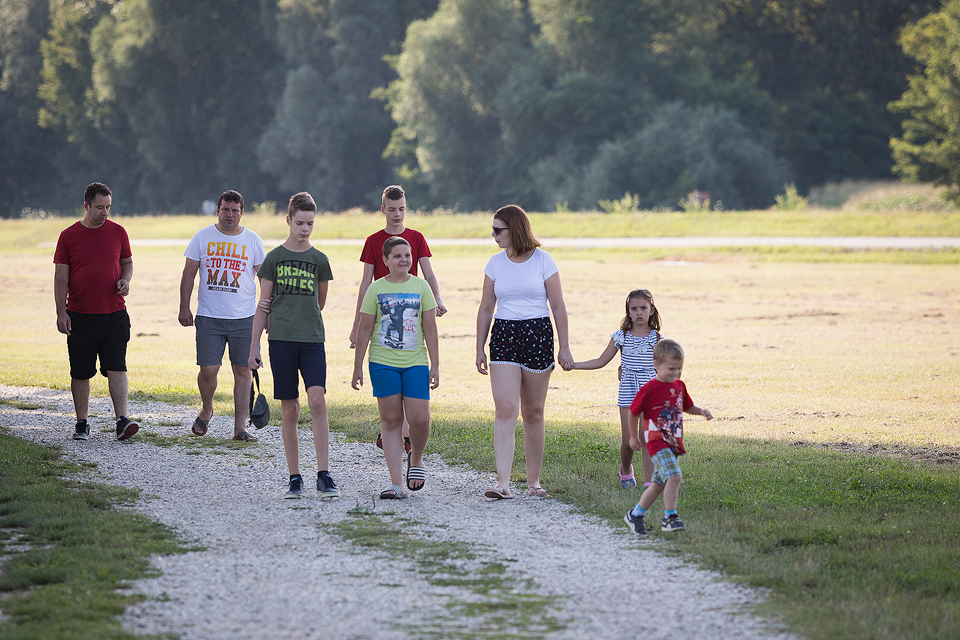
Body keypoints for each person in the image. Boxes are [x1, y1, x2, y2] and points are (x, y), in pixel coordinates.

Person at [476, 205, 572, 499]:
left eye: (498, 230)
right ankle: (502, 483)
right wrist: (479, 347)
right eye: (493, 230)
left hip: (537, 333)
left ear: (514, 229)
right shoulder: (494, 263)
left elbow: (558, 306)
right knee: (505, 409)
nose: (494, 235)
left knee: (533, 411)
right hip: (504, 334)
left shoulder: (544, 260)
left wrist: (565, 346)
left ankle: (534, 482)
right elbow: (486, 308)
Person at [248, 192, 339, 499]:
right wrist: (253, 347)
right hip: (281, 340)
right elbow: (264, 304)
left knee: (317, 400)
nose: (305, 229)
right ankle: (294, 477)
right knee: (289, 409)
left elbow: (320, 302)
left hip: (312, 339)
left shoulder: (319, 260)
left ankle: (324, 474)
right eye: (299, 223)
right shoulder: (274, 259)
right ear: (288, 220)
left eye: (310, 223)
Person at [349, 185, 446, 453]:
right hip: (382, 313)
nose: (397, 214)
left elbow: (429, 273)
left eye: (401, 209)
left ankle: (401, 435)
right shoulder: (373, 241)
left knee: (410, 369)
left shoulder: (416, 237)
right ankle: (396, 432)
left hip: (411, 310)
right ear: (383, 209)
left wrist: (437, 299)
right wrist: (356, 325)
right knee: (389, 370)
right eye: (392, 209)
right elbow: (365, 283)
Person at [352, 237, 440, 499]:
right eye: (397, 256)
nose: (404, 260)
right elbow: (365, 328)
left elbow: (430, 328)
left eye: (407, 255)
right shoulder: (375, 289)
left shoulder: (421, 286)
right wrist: (357, 366)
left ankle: (416, 458)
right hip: (382, 361)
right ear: (386, 260)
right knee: (391, 421)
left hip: (415, 362)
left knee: (420, 419)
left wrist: (435, 364)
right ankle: (396, 483)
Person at [53, 182, 138, 441]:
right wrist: (61, 312)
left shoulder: (118, 232)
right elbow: (60, 278)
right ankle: (82, 423)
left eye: (108, 207)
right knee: (80, 371)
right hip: (80, 315)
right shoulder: (68, 236)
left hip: (115, 314)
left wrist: (125, 280)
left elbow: (127, 263)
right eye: (100, 207)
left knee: (117, 367)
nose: (105, 212)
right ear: (86, 206)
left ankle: (122, 420)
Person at [179, 190, 266, 442]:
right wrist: (184, 307)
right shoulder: (202, 237)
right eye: (225, 209)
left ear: (241, 213)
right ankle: (207, 409)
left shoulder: (252, 240)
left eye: (234, 210)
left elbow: (265, 280)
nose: (230, 215)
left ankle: (240, 428)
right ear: (217, 211)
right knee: (209, 369)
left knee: (243, 371)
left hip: (244, 318)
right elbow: (188, 274)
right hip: (209, 316)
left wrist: (266, 314)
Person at [567, 289, 662, 488]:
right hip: (628, 390)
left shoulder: (657, 339)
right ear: (628, 311)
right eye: (633, 309)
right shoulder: (621, 336)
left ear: (651, 310)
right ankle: (626, 471)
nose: (639, 312)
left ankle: (649, 481)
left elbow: (666, 367)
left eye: (643, 308)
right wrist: (574, 365)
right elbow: (601, 361)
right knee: (628, 440)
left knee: (646, 436)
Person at [624, 339, 713, 535]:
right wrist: (633, 437)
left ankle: (635, 515)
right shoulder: (649, 389)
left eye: (679, 368)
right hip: (657, 443)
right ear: (656, 364)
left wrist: (701, 411)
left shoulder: (680, 385)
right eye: (671, 368)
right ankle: (670, 517)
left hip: (673, 443)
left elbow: (687, 406)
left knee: (659, 484)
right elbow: (633, 412)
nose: (676, 373)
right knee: (674, 476)